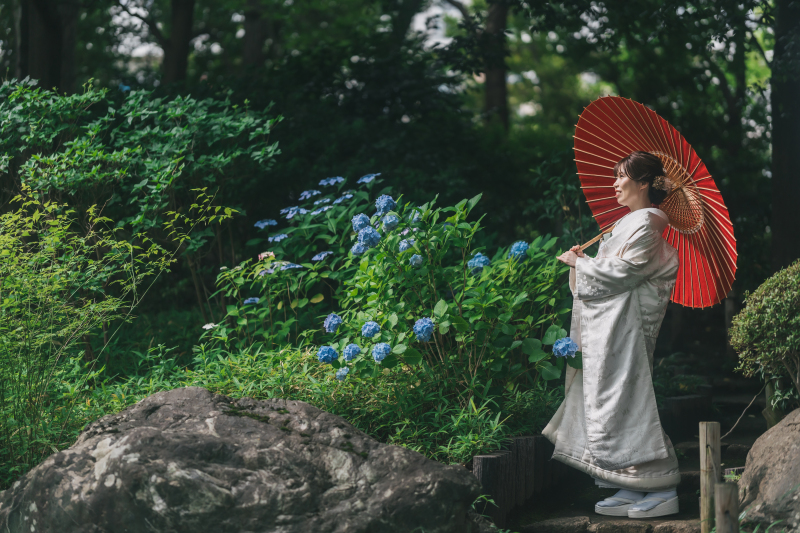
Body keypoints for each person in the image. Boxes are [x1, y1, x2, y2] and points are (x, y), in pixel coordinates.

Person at [544, 151, 681, 519]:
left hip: (629, 327)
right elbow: (609, 270)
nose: (615, 183)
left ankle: (662, 484)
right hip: (614, 325)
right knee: (612, 400)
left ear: (643, 183)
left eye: (621, 176)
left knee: (629, 400)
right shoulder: (630, 222)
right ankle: (632, 480)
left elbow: (625, 272)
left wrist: (581, 262)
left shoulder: (649, 223)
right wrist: (583, 262)